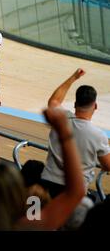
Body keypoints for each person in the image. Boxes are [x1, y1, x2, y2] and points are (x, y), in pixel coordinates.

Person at [40, 68, 110, 198]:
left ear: (75, 104)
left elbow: (54, 101)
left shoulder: (60, 119)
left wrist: (74, 77)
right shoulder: (98, 135)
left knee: (39, 217)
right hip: (74, 192)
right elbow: (108, 165)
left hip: (47, 183)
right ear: (95, 106)